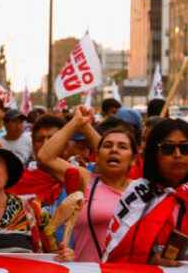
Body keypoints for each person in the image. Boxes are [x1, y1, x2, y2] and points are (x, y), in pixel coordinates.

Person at [103, 119, 188, 267]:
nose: (177, 155)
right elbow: (119, 254)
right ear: (153, 154)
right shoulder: (138, 194)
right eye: (168, 148)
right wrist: (149, 261)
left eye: (185, 148)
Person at [37, 107, 136, 262]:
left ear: (133, 158)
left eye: (123, 147)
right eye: (107, 146)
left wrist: (87, 128)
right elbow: (45, 157)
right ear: (97, 154)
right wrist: (76, 122)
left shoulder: (141, 189)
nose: (114, 150)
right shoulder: (86, 179)